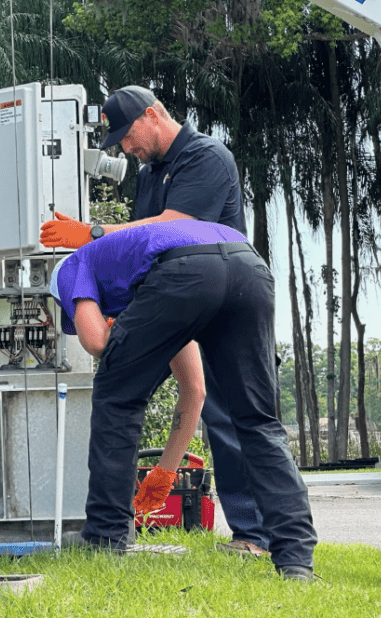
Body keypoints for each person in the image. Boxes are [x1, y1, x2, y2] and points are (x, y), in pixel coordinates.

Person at [41, 85, 269, 558]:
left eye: (128, 135)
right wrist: (166, 470)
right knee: (205, 399)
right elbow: (145, 253)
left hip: (223, 292)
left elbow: (172, 227)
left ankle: (254, 534)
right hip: (176, 297)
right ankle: (243, 532)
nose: (126, 148)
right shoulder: (149, 173)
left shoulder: (207, 156)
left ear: (153, 114)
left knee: (236, 413)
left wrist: (92, 232)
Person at [50, 219, 317, 580]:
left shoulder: (70, 268)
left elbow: (97, 343)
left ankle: (106, 541)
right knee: (258, 420)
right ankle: (296, 561)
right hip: (247, 265)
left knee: (116, 395)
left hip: (183, 271)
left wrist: (116, 339)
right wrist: (164, 471)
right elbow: (194, 390)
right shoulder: (139, 272)